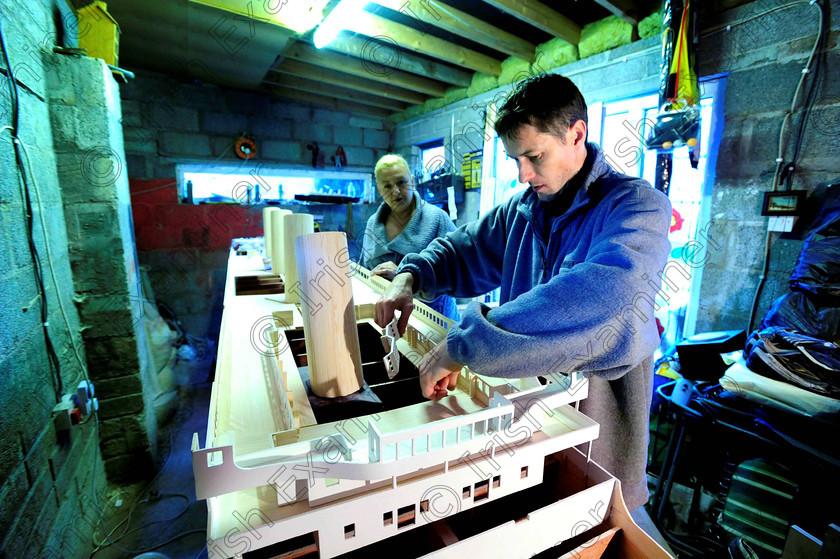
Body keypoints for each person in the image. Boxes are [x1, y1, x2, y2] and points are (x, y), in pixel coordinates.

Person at [374, 74, 672, 512]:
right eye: (515, 159)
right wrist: (411, 276)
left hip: (596, 436)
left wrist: (465, 345)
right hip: (522, 429)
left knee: (588, 530)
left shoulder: (635, 208)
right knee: (523, 526)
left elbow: (608, 298)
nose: (523, 174)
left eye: (534, 156)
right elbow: (465, 249)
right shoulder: (523, 210)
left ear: (576, 135)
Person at [361, 154, 460, 321]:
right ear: (379, 189)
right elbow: (365, 271)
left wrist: (404, 275)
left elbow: (457, 273)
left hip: (434, 321)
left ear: (412, 181)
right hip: (389, 321)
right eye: (387, 186)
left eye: (401, 182)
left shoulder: (437, 219)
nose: (396, 191)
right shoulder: (373, 224)